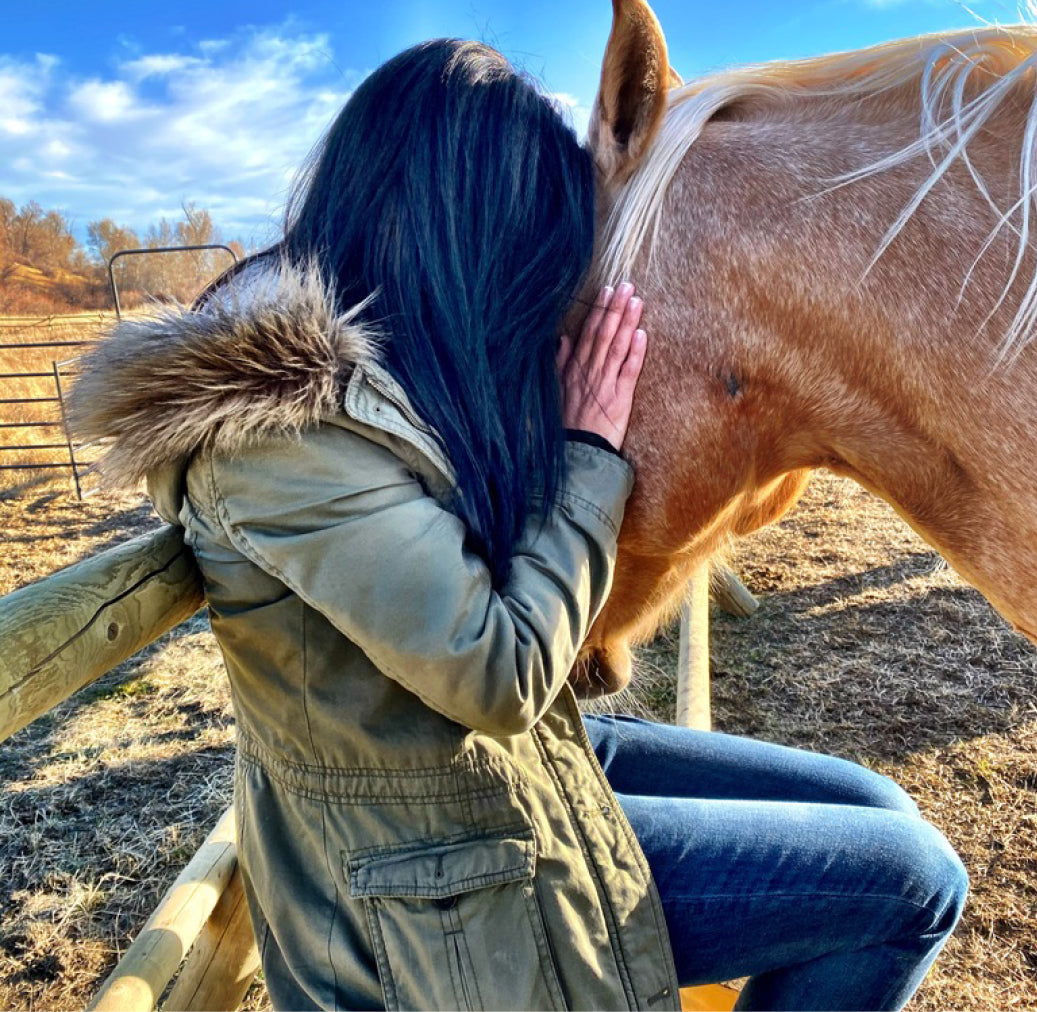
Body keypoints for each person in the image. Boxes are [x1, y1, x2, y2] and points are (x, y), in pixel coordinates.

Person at [69, 38, 967, 1012]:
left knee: (876, 805)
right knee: (913, 880)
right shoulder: (282, 434)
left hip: (487, 769)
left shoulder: (387, 371)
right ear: (457, 228)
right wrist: (588, 452)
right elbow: (493, 668)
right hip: (428, 871)